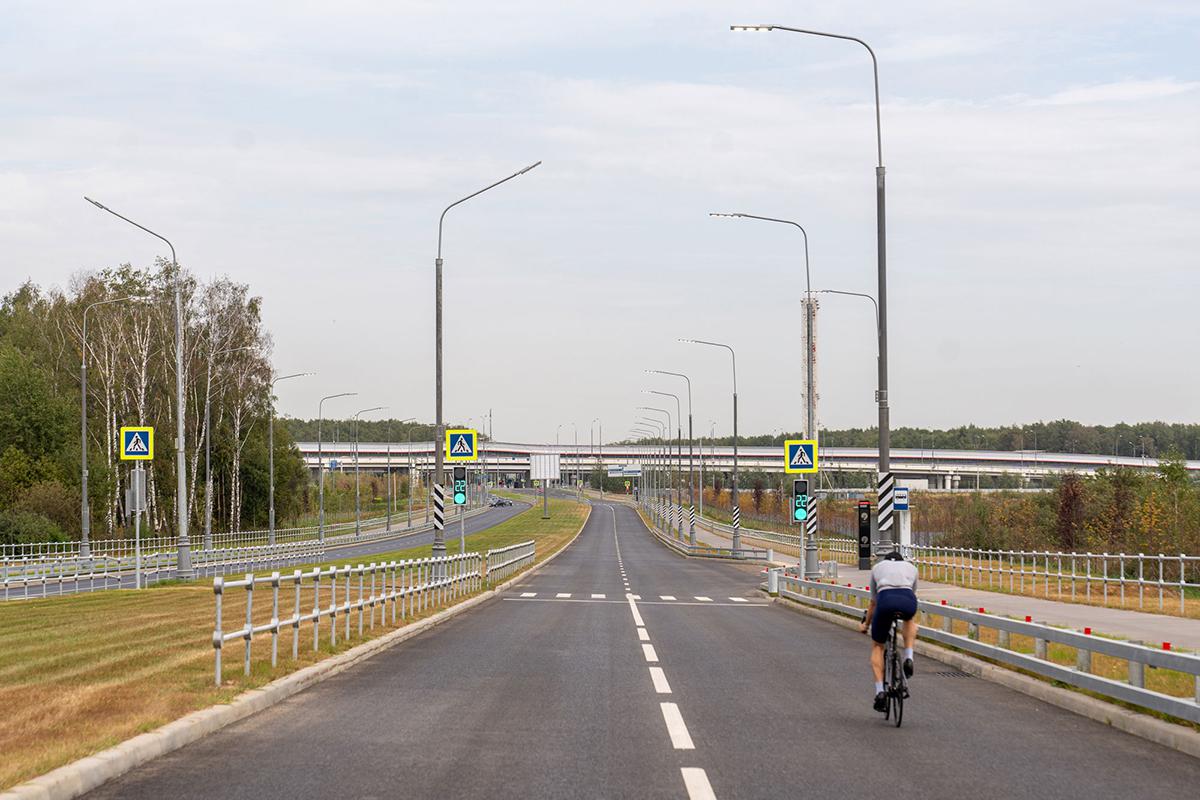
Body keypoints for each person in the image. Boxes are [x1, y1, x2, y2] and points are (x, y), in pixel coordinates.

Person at [859, 550, 918, 712]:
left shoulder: (877, 568)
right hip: (907, 599)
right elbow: (912, 593)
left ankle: (880, 692)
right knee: (909, 620)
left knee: (878, 646)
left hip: (885, 600)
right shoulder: (911, 568)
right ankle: (909, 656)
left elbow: (873, 603)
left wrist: (866, 625)